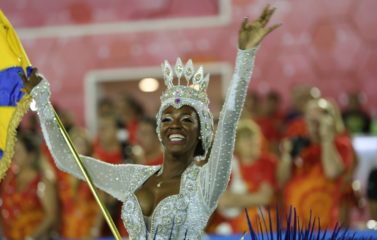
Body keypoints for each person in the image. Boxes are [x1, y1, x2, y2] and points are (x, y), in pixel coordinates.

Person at [21, 5, 280, 239]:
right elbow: (67, 160)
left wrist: (245, 56)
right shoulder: (133, 177)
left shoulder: (206, 181)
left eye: (187, 119)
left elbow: (230, 118)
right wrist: (43, 104)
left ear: (201, 131)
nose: (175, 124)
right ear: (160, 130)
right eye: (167, 118)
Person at [278, 98, 354, 229]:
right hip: (294, 228)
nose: (315, 120)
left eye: (321, 113)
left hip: (326, 228)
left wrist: (326, 138)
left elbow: (332, 172)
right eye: (310, 115)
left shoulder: (341, 145)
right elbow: (282, 180)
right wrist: (286, 155)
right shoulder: (298, 144)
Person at [209, 119, 277, 234]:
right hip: (234, 228)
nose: (253, 143)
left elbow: (265, 198)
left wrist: (235, 199)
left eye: (255, 138)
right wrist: (254, 199)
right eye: (247, 139)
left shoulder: (268, 162)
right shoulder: (227, 166)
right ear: (236, 144)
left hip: (263, 227)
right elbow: (223, 202)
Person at [0, 133, 57, 239]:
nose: (14, 155)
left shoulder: (43, 180)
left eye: (18, 152)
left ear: (31, 156)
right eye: (13, 151)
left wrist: (30, 237)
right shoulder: (9, 178)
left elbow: (51, 216)